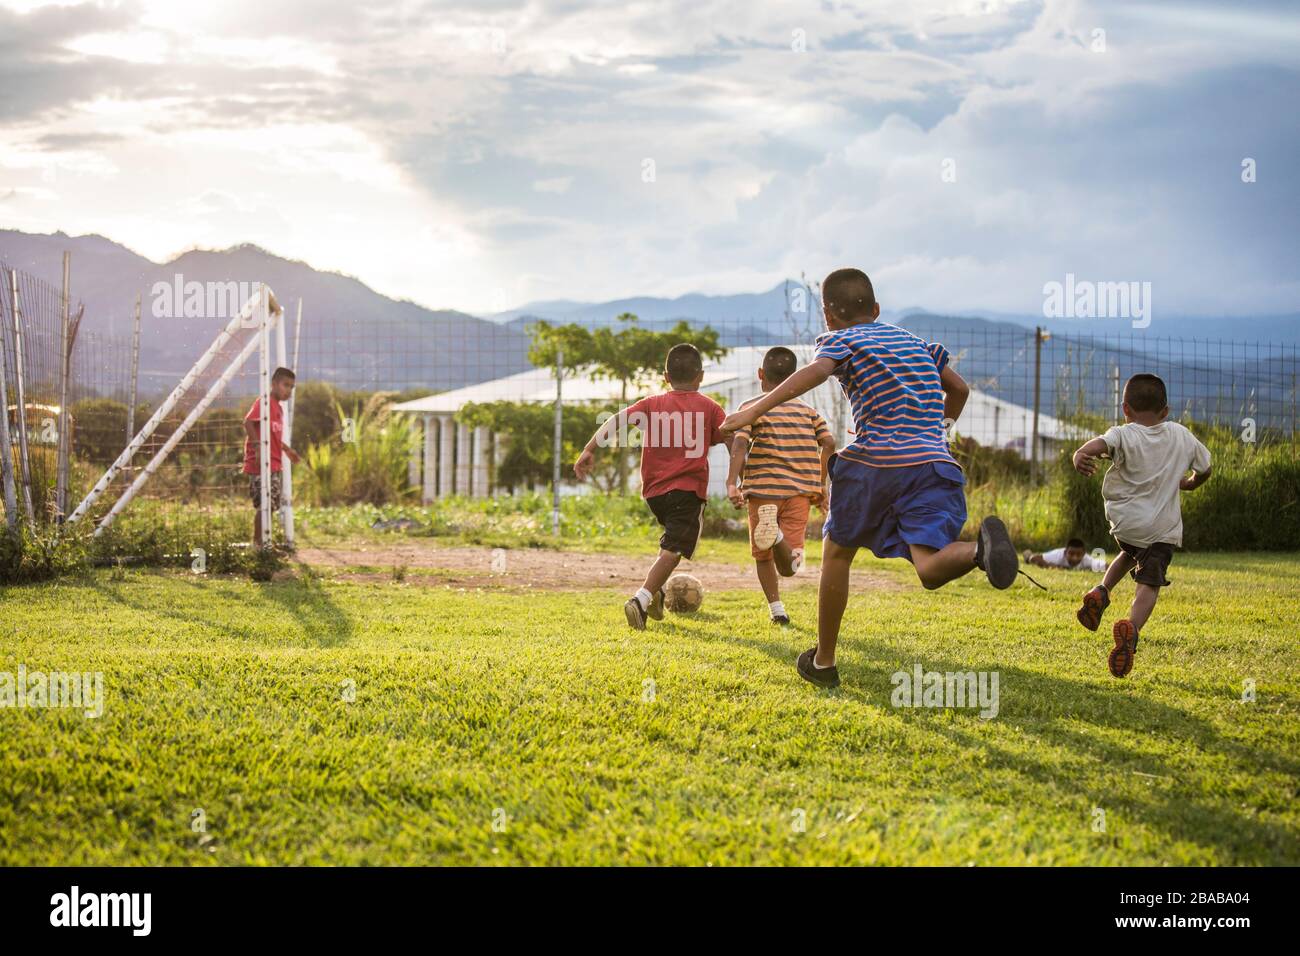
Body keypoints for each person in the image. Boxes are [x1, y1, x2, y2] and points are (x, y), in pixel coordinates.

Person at [721, 268, 1019, 688]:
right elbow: (960, 389)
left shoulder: (841, 340)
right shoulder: (918, 344)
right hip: (934, 463)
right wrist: (940, 428)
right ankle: (979, 552)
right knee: (930, 568)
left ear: (827, 316)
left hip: (874, 462)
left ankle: (824, 662)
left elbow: (816, 372)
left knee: (838, 554)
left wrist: (754, 410)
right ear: (876, 309)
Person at [574, 344, 728, 630]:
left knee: (670, 542)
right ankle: (641, 599)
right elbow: (728, 436)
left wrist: (589, 448)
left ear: (666, 376)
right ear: (701, 376)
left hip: (655, 494)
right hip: (687, 491)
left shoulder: (651, 404)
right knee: (673, 551)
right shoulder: (710, 407)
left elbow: (616, 420)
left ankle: (656, 594)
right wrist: (739, 476)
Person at [1072, 373, 1212, 678]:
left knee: (1131, 553)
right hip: (1160, 529)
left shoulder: (1123, 433)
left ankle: (1102, 590)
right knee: (1149, 581)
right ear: (1165, 411)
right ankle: (1131, 629)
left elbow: (1099, 444)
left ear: (1125, 408)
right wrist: (1190, 483)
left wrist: (1080, 453)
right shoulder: (1181, 435)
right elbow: (1206, 467)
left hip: (1125, 525)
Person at [725, 346, 836, 625]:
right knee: (791, 565)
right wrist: (821, 484)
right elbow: (830, 443)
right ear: (795, 378)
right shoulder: (809, 412)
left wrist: (732, 482)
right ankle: (775, 537)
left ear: (761, 374)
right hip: (798, 492)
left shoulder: (751, 408)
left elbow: (739, 443)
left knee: (763, 557)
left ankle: (777, 609)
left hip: (762, 492)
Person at [243, 366, 300, 548]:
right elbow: (248, 422)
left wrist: (287, 450)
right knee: (264, 503)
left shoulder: (280, 410)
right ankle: (258, 544)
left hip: (274, 464)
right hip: (260, 463)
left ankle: (265, 540)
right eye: (285, 385)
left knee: (272, 504)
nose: (289, 390)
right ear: (274, 384)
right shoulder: (265, 402)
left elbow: (273, 436)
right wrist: (258, 447)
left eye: (292, 387)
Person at [1024, 537, 1106, 571]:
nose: (1074, 558)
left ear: (1084, 553)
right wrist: (1052, 566)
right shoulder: (1057, 555)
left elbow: (1107, 566)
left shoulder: (1087, 559)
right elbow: (1035, 558)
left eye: (1078, 555)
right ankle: (1027, 554)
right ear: (1065, 551)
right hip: (1047, 556)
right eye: (1071, 554)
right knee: (1029, 558)